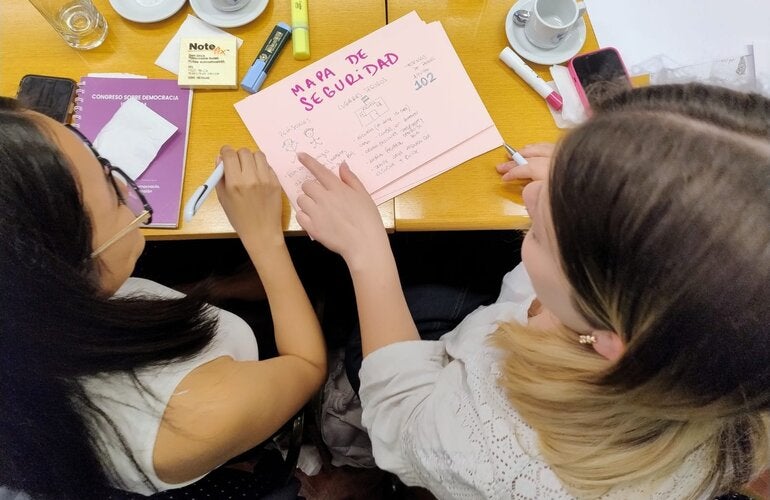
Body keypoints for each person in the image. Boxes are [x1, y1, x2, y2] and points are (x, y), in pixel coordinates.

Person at [293, 83, 770, 498]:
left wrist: (367, 254)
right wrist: (592, 184)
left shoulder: (506, 450)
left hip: (437, 399)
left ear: (609, 337)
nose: (531, 195)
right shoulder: (719, 348)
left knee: (365, 336)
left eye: (541, 232)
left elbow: (403, 422)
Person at [0, 97, 326, 498]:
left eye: (100, 160)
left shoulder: (31, 314)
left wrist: (219, 287)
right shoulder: (190, 418)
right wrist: (264, 238)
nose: (124, 186)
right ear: (69, 272)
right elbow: (308, 366)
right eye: (110, 189)